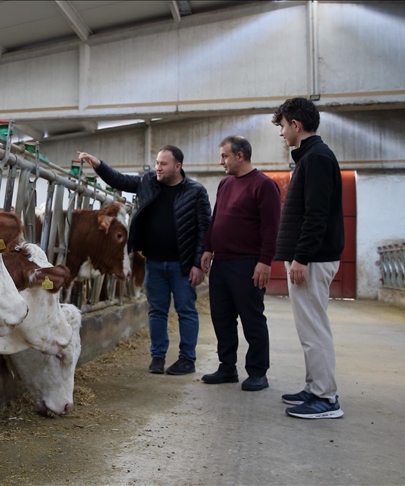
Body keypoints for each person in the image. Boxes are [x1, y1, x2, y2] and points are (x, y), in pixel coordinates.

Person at [78, 146, 211, 376]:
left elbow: (204, 229)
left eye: (164, 164)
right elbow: (119, 180)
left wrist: (199, 264)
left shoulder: (196, 191)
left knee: (186, 310)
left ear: (177, 167)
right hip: (154, 262)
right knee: (157, 311)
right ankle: (157, 357)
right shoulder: (148, 182)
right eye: (157, 162)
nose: (158, 167)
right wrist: (99, 165)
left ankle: (187, 359)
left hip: (183, 264)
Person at [273, 97, 345, 419]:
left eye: (283, 126)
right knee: (309, 328)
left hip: (312, 259)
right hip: (310, 258)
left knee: (314, 328)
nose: (281, 133)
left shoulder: (316, 158)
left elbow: (316, 215)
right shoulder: (310, 157)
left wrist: (301, 257)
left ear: (295, 125)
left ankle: (325, 398)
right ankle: (314, 385)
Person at [200, 136, 281, 392]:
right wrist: (208, 247)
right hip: (221, 263)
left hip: (247, 264)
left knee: (251, 318)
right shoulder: (225, 184)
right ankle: (227, 368)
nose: (221, 161)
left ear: (240, 156)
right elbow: (216, 219)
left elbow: (271, 228)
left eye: (224, 156)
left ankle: (258, 372)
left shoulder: (264, 185)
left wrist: (265, 262)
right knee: (221, 318)